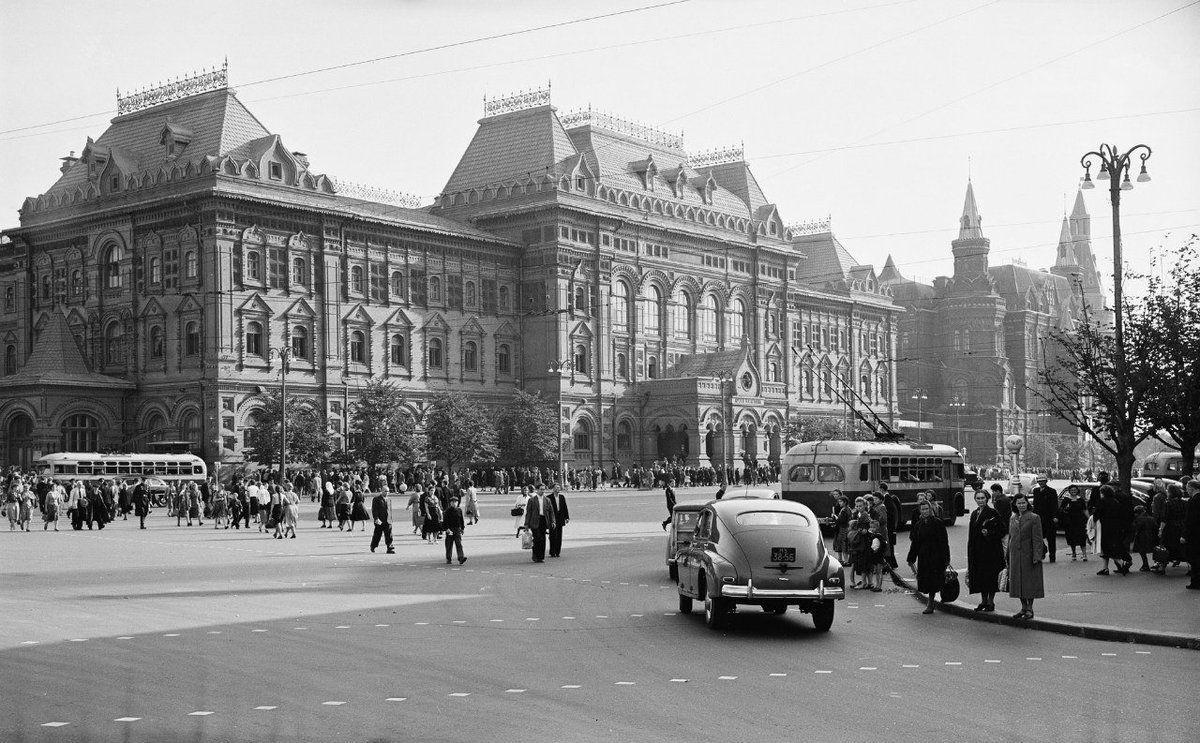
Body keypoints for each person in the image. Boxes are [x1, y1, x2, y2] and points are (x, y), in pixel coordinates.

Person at [907, 499, 951, 614]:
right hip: (924, 556)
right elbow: (915, 543)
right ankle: (933, 600)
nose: (925, 511)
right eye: (923, 509)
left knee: (934, 580)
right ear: (920, 511)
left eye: (927, 509)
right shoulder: (919, 524)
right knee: (926, 580)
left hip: (936, 556)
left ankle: (931, 603)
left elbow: (944, 541)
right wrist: (911, 558)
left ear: (930, 509)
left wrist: (946, 558)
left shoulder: (937, 522)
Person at [1007, 493, 1045, 619]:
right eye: (1019, 503)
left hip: (1029, 555)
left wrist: (1037, 555)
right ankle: (1023, 607)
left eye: (1024, 503)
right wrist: (1007, 555)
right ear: (1015, 505)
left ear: (1027, 503)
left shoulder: (1034, 518)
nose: (1022, 505)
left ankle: (1030, 608)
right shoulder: (1013, 518)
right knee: (1017, 583)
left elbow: (1038, 538)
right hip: (1015, 556)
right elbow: (1010, 538)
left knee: (1030, 582)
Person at [967, 488, 1005, 612]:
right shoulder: (974, 513)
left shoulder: (993, 512)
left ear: (987, 499)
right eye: (978, 498)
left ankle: (990, 602)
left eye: (982, 498)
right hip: (978, 550)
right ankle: (983, 601)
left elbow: (1002, 530)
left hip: (990, 551)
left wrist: (989, 533)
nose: (980, 500)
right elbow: (971, 533)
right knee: (980, 576)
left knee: (990, 576)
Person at [1094, 485, 1132, 575]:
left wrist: (1093, 522)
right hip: (1116, 526)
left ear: (1103, 493)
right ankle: (1108, 567)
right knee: (1114, 544)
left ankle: (1117, 563)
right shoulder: (1116, 502)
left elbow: (1097, 514)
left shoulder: (1101, 501)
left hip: (1105, 526)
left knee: (1106, 546)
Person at [523, 486, 557, 563]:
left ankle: (541, 557)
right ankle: (535, 554)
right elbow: (529, 513)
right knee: (538, 538)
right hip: (534, 521)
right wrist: (526, 524)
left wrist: (553, 521)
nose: (542, 491)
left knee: (543, 539)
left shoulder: (547, 500)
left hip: (543, 520)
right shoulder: (532, 500)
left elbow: (551, 512)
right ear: (537, 490)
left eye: (543, 489)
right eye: (541, 489)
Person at [1030, 476, 1059, 562]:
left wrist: (1055, 516)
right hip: (1038, 518)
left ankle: (1052, 557)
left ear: (1046, 482)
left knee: (1051, 539)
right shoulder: (1036, 491)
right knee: (1038, 537)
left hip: (1049, 519)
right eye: (1039, 481)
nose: (1041, 483)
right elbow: (1035, 505)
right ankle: (1042, 551)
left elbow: (1054, 505)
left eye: (1043, 481)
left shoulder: (1052, 491)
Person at [1060, 484, 1089, 561]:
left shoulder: (1081, 500)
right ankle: (1073, 553)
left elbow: (1084, 509)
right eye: (1072, 490)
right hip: (1070, 522)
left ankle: (1084, 554)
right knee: (1072, 538)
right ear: (1069, 491)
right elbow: (1061, 510)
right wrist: (1065, 510)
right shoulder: (1066, 500)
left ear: (1077, 491)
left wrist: (1089, 518)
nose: (1073, 491)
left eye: (1075, 490)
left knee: (1082, 538)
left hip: (1079, 521)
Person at [1183, 480, 1200, 589]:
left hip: (1195, 534)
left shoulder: (1193, 501)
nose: (1186, 491)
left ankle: (1196, 581)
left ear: (1192, 488)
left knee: (1194, 558)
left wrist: (1184, 535)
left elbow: (1190, 520)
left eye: (1188, 488)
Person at [442, 494, 467, 565]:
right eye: (453, 502)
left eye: (455, 502)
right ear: (450, 503)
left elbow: (461, 520)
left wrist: (462, 528)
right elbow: (445, 522)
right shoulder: (447, 511)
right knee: (449, 545)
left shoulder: (459, 510)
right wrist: (446, 529)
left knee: (459, 544)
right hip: (450, 530)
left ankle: (461, 558)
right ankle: (448, 558)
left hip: (457, 529)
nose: (454, 503)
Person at [370, 488, 395, 554]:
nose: (387, 492)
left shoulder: (389, 499)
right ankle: (373, 546)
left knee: (389, 534)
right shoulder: (376, 499)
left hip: (388, 520)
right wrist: (376, 518)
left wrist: (391, 519)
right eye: (385, 491)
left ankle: (389, 547)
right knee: (377, 534)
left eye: (388, 491)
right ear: (382, 491)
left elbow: (390, 510)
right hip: (380, 520)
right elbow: (374, 509)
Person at [548, 487, 570, 558]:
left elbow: (564, 507)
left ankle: (557, 552)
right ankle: (552, 552)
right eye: (556, 488)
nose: (558, 489)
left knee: (559, 536)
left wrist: (566, 517)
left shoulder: (561, 497)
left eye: (558, 488)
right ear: (553, 489)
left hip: (560, 518)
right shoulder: (549, 497)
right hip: (553, 518)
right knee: (553, 535)